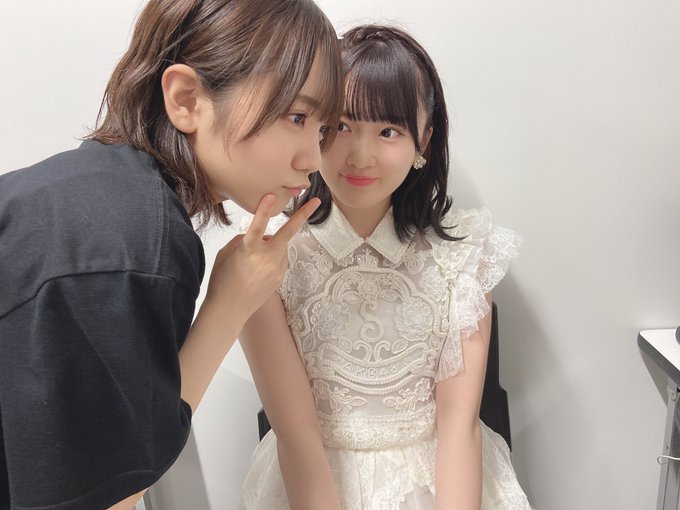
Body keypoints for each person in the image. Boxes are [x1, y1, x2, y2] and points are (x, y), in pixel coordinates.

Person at [0, 1, 343, 509]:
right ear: (186, 99)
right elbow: (110, 498)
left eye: (322, 130)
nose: (313, 159)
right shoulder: (132, 241)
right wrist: (229, 306)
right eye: (296, 116)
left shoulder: (88, 195)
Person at [239, 24, 532, 510]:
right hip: (311, 484)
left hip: (441, 482)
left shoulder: (463, 256)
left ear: (424, 142)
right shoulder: (270, 257)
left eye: (389, 131)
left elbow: (458, 424)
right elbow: (296, 433)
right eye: (341, 126)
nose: (361, 156)